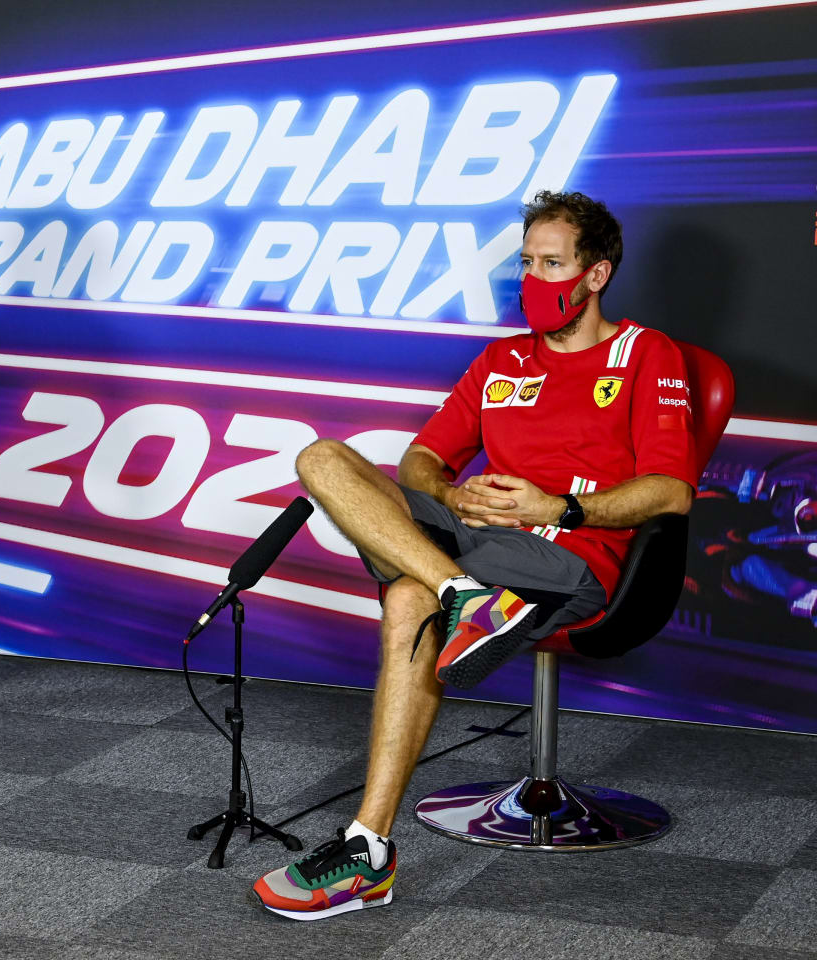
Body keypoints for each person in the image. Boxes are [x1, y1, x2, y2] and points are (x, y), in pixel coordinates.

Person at [251, 191, 698, 920]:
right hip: (480, 544)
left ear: (596, 274)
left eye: (552, 263)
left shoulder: (646, 354)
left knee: (406, 598)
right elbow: (422, 460)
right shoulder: (501, 360)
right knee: (323, 457)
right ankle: (465, 595)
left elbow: (670, 491)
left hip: (570, 554)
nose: (534, 278)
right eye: (526, 262)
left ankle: (367, 851)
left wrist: (556, 506)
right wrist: (455, 499)